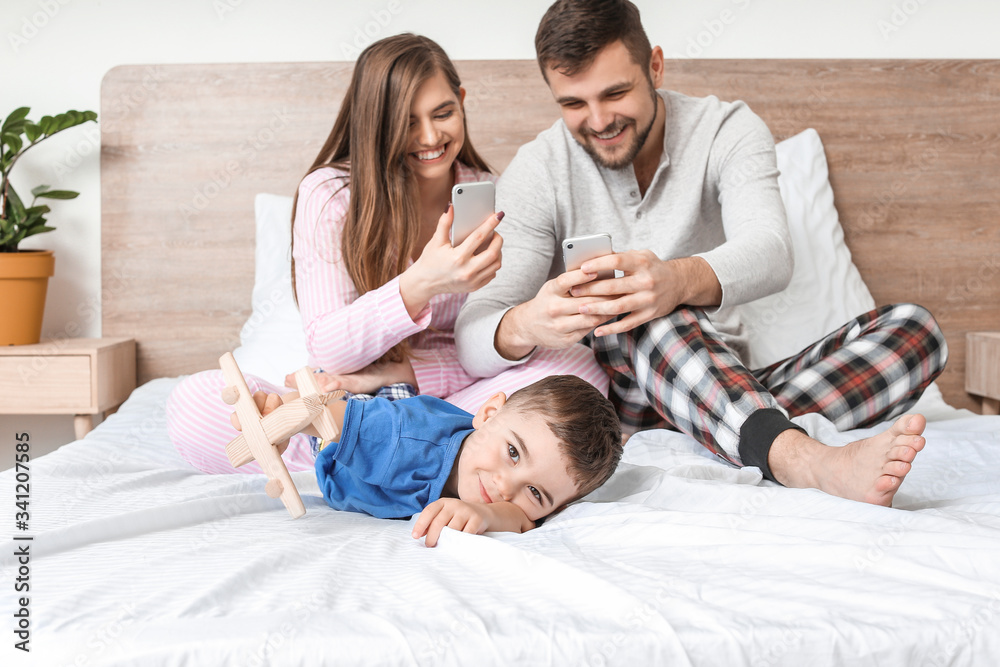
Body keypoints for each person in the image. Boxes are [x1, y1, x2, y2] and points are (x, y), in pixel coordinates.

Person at [455, 0, 948, 507]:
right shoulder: (539, 170)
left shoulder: (726, 130)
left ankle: (719, 431)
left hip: (725, 379)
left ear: (656, 66)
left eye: (616, 93)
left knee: (916, 331)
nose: (598, 120)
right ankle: (801, 458)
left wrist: (676, 278)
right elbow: (471, 337)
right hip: (620, 401)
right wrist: (527, 323)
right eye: (573, 104)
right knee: (635, 305)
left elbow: (772, 251)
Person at [167, 34, 609, 473]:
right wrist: (422, 283)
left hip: (447, 400)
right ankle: (425, 462)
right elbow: (332, 351)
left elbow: (484, 342)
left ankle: (360, 463)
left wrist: (404, 375)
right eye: (407, 122)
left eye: (443, 113)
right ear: (374, 123)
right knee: (199, 403)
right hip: (344, 400)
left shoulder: (495, 196)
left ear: (461, 99)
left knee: (577, 371)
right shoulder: (330, 195)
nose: (430, 136)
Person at [232, 375, 623, 547]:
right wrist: (278, 421)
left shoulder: (509, 503)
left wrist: (486, 516)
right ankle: (347, 380)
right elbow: (328, 419)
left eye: (535, 491)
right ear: (488, 414)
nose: (506, 487)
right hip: (362, 429)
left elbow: (521, 519)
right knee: (348, 411)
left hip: (403, 421)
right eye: (513, 452)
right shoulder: (405, 441)